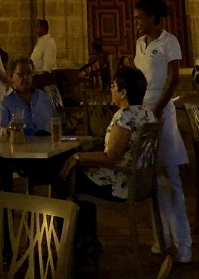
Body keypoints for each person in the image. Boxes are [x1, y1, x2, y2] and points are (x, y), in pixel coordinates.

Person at [59, 65, 154, 253]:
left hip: (120, 184)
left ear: (123, 92)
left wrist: (78, 156)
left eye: (113, 86)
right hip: (141, 181)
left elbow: (111, 157)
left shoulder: (124, 117)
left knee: (66, 178)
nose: (111, 89)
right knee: (80, 178)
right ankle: (87, 238)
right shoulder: (147, 113)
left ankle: (68, 242)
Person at [133, 0, 191, 266]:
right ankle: (162, 237)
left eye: (142, 17)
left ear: (155, 19)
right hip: (143, 114)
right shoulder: (139, 44)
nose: (137, 21)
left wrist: (158, 107)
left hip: (162, 112)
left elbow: (173, 78)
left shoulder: (170, 42)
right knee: (151, 177)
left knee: (170, 174)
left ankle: (184, 243)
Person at [0, 57, 54, 137]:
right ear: (11, 76)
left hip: (47, 145)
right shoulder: (5, 102)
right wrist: (8, 131)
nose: (25, 77)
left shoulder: (43, 97)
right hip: (21, 146)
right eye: (21, 74)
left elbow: (55, 121)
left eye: (29, 73)